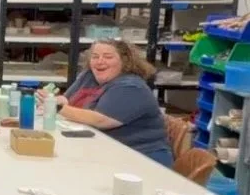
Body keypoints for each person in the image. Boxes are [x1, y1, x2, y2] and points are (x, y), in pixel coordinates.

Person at [41, 39, 173, 167]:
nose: (100, 61)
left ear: (125, 61)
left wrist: (55, 106)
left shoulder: (131, 87)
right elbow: (67, 100)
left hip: (141, 157)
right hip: (104, 149)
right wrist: (53, 99)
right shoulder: (89, 76)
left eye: (108, 57)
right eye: (95, 57)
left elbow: (100, 120)